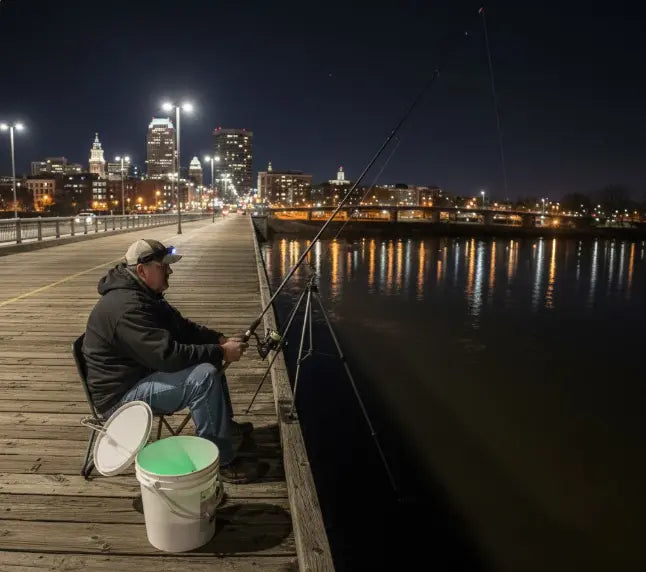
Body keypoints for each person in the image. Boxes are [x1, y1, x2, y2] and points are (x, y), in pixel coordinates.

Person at [82, 238, 258, 483]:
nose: (170, 270)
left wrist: (219, 340)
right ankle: (222, 461)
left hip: (141, 373)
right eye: (163, 266)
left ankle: (223, 427)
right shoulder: (127, 307)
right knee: (203, 378)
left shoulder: (144, 294)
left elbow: (182, 327)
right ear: (142, 270)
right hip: (120, 397)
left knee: (209, 357)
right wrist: (220, 352)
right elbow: (167, 357)